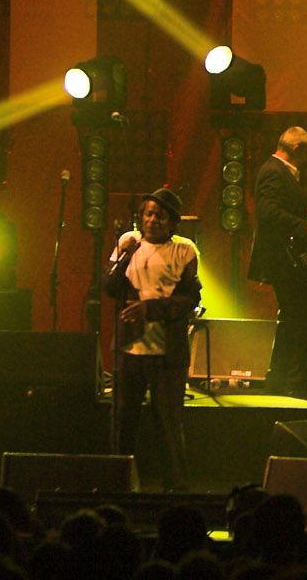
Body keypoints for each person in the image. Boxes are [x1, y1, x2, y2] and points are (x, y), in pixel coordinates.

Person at [106, 186, 200, 490]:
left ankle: (175, 488)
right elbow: (109, 287)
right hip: (129, 349)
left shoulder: (183, 249)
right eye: (148, 214)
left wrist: (150, 309)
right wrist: (123, 255)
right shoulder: (128, 244)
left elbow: (190, 299)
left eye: (160, 216)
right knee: (123, 422)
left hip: (166, 353)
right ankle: (119, 484)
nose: (152, 220)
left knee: (168, 423)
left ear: (171, 222)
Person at [249, 126, 307, 399]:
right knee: (304, 317)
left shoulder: (282, 173)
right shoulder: (274, 171)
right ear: (297, 149)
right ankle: (294, 378)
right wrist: (303, 226)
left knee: (296, 318)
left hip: (289, 259)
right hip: (283, 260)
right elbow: (268, 212)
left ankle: (284, 378)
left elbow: (286, 210)